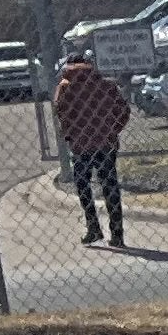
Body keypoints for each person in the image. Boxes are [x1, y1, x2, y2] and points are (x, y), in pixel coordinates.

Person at [52, 52, 132, 247]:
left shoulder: (65, 87)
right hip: (106, 143)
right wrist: (113, 130)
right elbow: (123, 111)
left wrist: (70, 134)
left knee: (83, 185)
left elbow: (61, 113)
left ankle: (93, 228)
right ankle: (117, 233)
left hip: (81, 146)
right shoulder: (106, 85)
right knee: (110, 185)